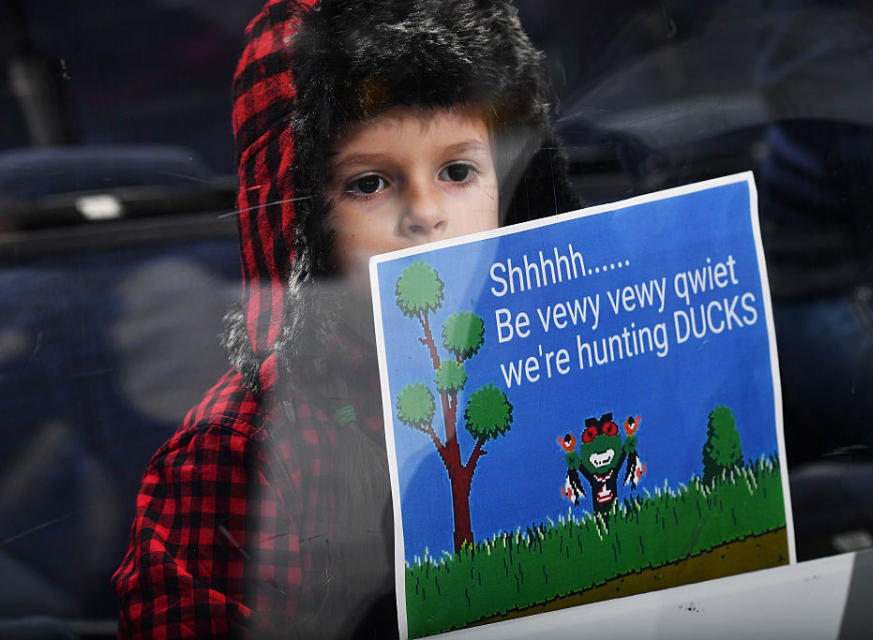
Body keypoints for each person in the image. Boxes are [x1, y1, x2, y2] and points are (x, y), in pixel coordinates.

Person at [112, 0, 579, 637]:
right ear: (296, 217)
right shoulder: (236, 453)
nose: (426, 215)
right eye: (369, 184)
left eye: (458, 171)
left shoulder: (566, 365)